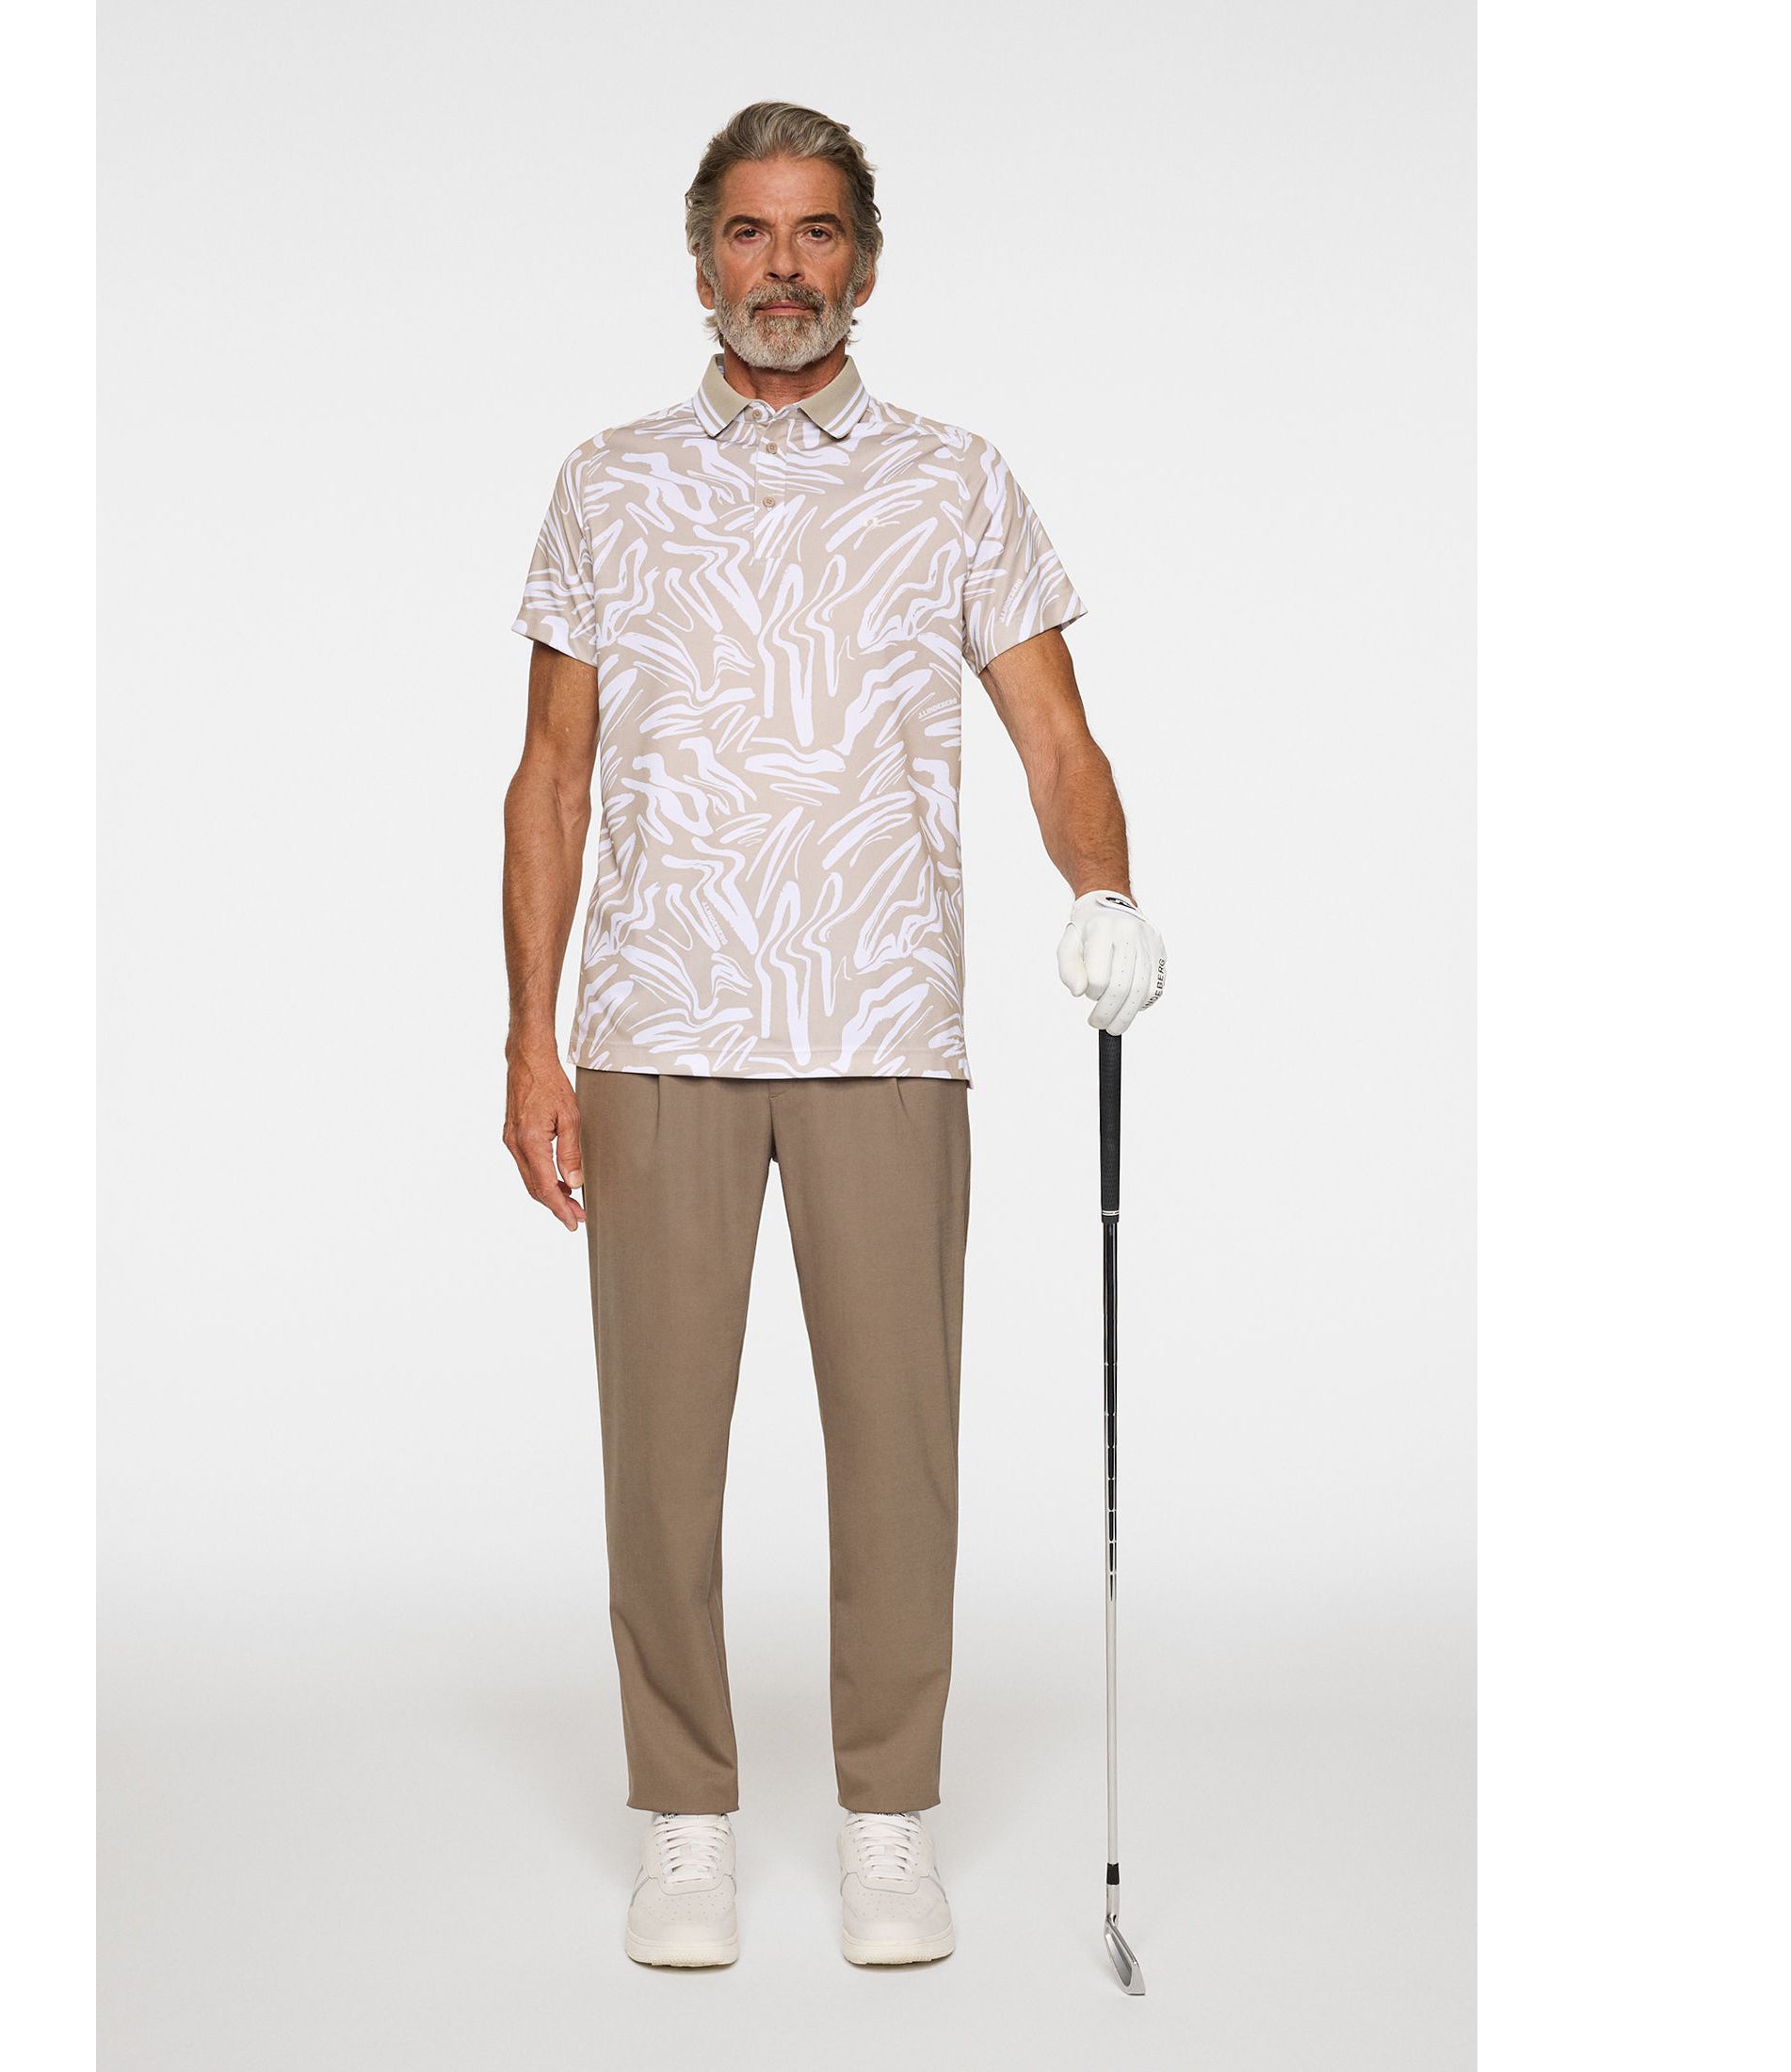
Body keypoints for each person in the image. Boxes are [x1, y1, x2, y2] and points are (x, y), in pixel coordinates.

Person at [500, 101, 1166, 1970]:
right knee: (659, 1454)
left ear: (863, 260)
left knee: (898, 1444)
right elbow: (549, 776)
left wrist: (1102, 888)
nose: (779, 266)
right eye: (747, 230)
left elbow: (1054, 732)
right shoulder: (606, 482)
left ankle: (887, 1817)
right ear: (700, 254)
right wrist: (529, 1042)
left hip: (883, 1021)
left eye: (813, 232)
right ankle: (685, 1816)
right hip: (656, 1023)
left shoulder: (956, 479)